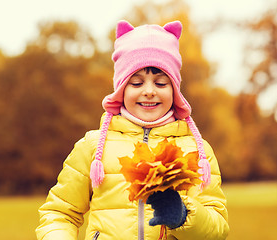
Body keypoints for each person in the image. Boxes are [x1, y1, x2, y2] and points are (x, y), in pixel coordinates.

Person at [36, 20, 229, 240]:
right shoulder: (93, 146)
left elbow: (217, 230)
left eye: (161, 83)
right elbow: (59, 213)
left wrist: (184, 216)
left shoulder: (197, 150)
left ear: (175, 90)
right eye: (136, 83)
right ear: (120, 89)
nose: (149, 91)